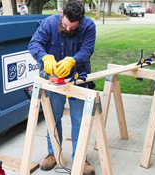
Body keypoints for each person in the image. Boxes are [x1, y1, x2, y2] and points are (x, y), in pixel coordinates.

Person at [28, 1, 96, 174]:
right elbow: (34, 44)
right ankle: (53, 154)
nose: (68, 29)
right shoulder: (49, 23)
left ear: (80, 22)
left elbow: (87, 49)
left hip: (77, 78)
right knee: (54, 115)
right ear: (61, 14)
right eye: (65, 24)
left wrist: (73, 60)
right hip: (53, 79)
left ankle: (81, 156)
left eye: (73, 27)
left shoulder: (88, 26)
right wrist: (45, 58)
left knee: (79, 118)